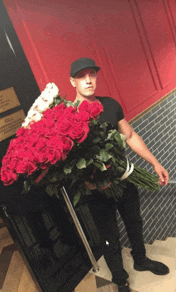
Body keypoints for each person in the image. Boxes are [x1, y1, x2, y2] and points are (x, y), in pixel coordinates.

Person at [69, 57, 170, 292]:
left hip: (124, 177)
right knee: (109, 234)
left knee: (134, 222)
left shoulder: (110, 104)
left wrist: (155, 163)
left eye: (92, 74)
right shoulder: (66, 114)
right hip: (95, 188)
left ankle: (141, 260)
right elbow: (68, 159)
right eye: (82, 76)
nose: (88, 80)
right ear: (72, 81)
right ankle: (119, 278)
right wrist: (86, 180)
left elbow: (131, 136)